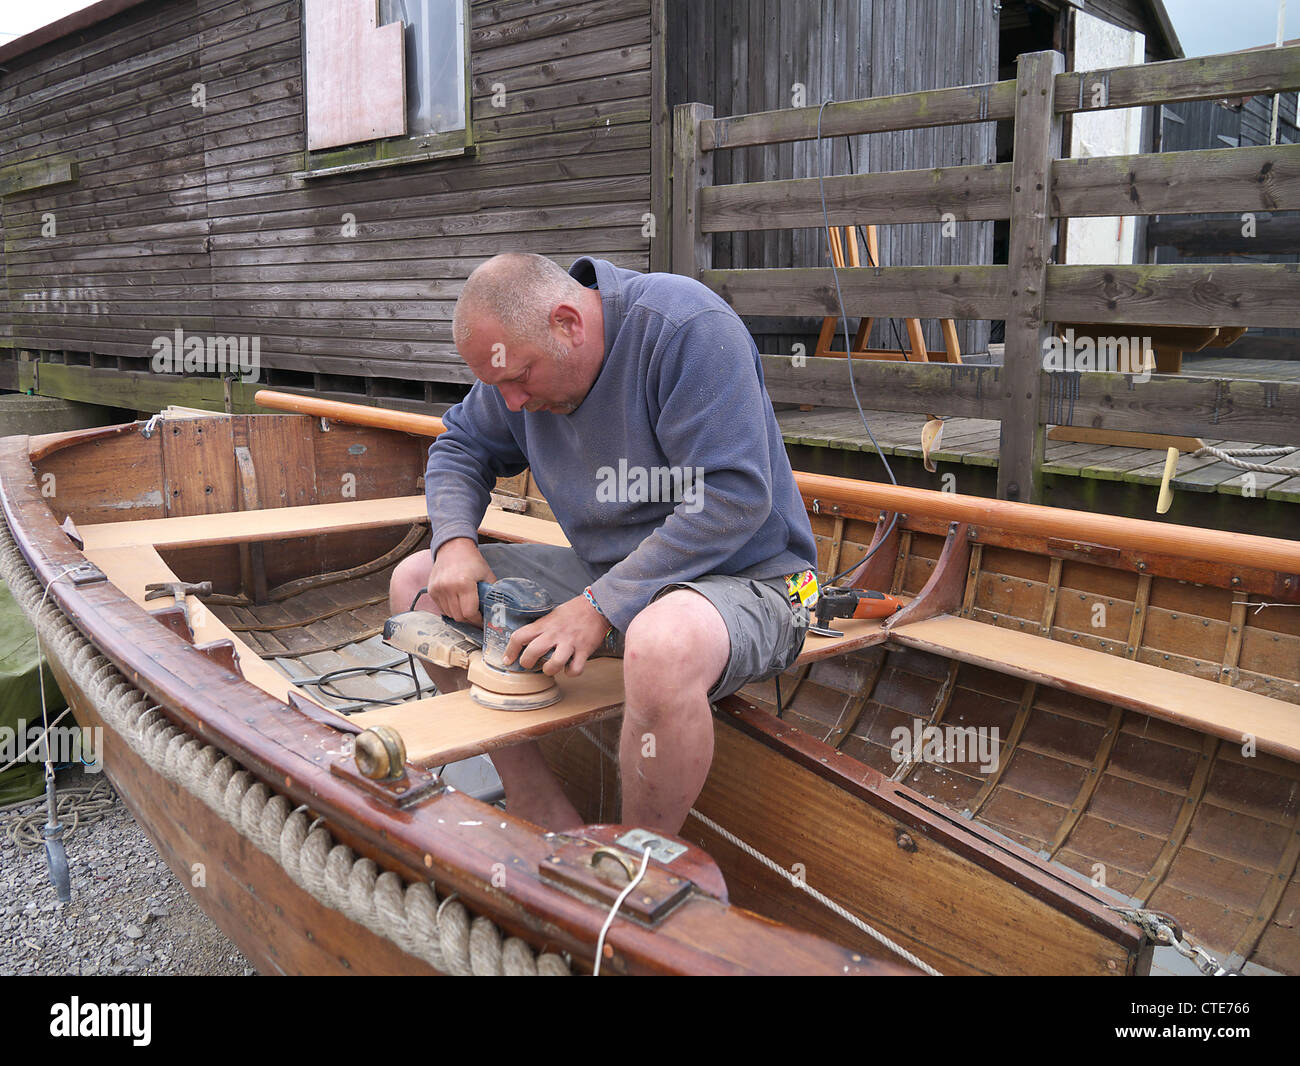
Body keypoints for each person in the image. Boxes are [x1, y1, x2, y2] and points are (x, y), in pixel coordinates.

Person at [389, 252, 817, 834]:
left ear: (568, 323)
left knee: (659, 642)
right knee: (417, 583)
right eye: (498, 384)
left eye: (518, 378)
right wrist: (456, 541)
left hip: (755, 582)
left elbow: (733, 498)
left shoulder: (685, 329)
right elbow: (460, 448)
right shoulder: (517, 365)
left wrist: (600, 606)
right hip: (613, 580)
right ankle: (534, 799)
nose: (512, 402)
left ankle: (637, 861)